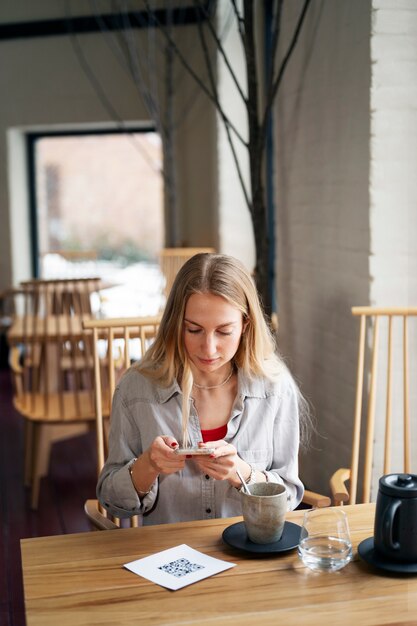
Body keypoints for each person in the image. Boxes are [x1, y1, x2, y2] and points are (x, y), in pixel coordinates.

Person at [97, 253, 309, 525]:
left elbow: (289, 497)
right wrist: (147, 466)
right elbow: (112, 502)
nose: (209, 349)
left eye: (224, 331)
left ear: (245, 325)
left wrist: (241, 473)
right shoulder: (136, 389)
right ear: (176, 325)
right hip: (167, 557)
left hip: (249, 556)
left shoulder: (275, 388)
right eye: (194, 330)